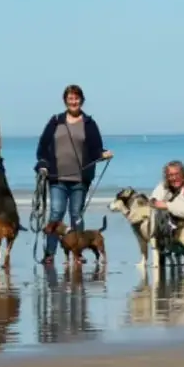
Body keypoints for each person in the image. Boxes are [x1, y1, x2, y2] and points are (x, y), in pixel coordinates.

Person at [34, 85, 112, 264]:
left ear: (81, 100)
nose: (73, 101)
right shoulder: (55, 121)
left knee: (76, 215)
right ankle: (50, 253)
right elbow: (43, 147)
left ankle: (77, 253)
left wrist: (103, 154)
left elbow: (96, 149)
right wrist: (43, 165)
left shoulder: (89, 123)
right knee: (56, 214)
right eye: (70, 98)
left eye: (76, 98)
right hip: (57, 178)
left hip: (80, 179)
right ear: (65, 101)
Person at [150, 160, 184, 264]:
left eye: (177, 174)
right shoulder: (163, 186)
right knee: (155, 216)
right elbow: (153, 201)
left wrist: (167, 205)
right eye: (170, 175)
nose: (174, 178)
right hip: (171, 233)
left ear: (183, 174)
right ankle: (161, 253)